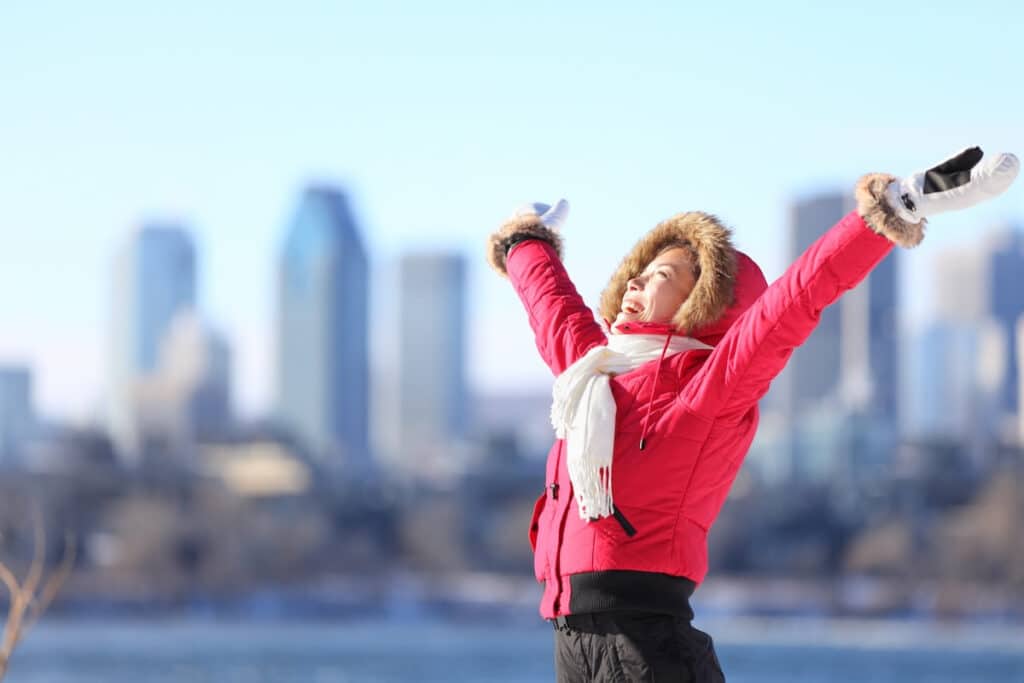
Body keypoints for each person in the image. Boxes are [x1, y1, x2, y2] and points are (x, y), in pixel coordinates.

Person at [485, 147, 1019, 682]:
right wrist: (525, 242)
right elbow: (552, 308)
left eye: (660, 275)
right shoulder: (593, 377)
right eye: (636, 273)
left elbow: (793, 302)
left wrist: (896, 207)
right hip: (573, 643)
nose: (633, 284)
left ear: (703, 301)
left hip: (646, 645)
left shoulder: (705, 391)